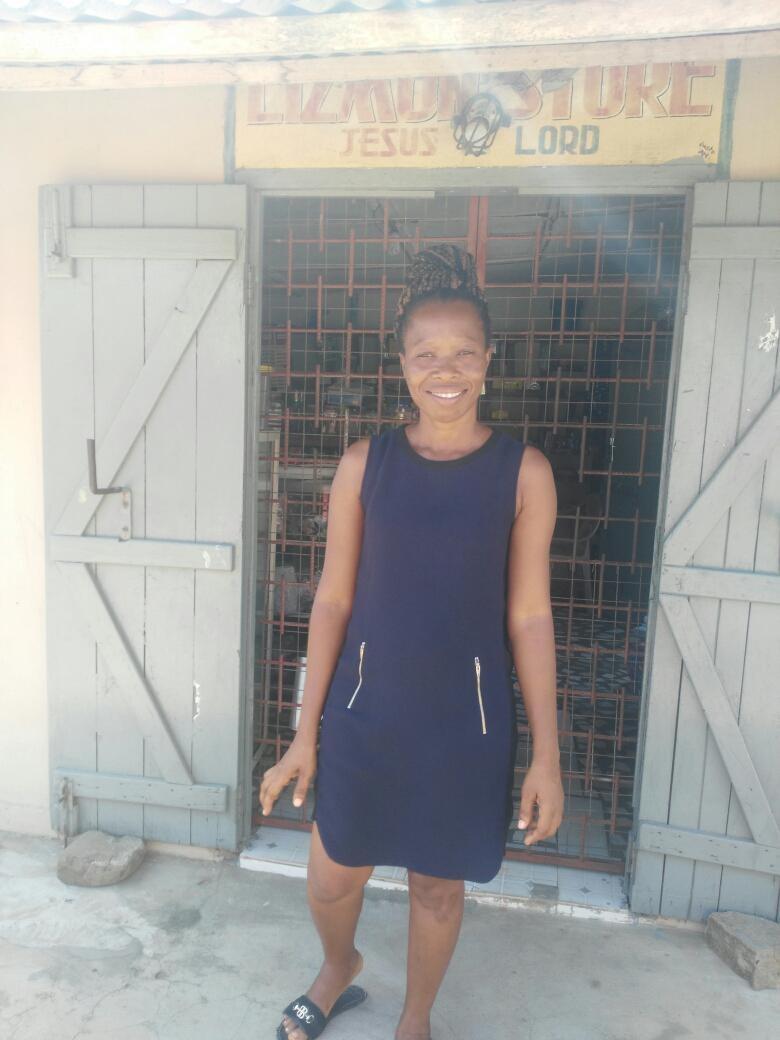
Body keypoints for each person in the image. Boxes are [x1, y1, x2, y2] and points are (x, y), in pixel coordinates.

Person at [260, 244, 564, 1040]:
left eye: (464, 352)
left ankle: (416, 1018)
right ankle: (339, 967)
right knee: (332, 876)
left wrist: (547, 754)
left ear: (488, 361)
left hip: (466, 726)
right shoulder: (366, 465)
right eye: (426, 354)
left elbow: (530, 618)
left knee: (437, 888)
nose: (445, 370)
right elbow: (333, 600)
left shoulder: (523, 473)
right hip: (367, 714)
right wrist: (303, 734)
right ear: (402, 365)